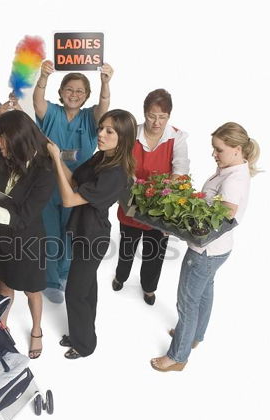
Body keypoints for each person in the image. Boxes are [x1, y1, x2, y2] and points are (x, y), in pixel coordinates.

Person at [151, 122, 260, 372]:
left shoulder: (234, 179)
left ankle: (178, 356)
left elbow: (221, 220)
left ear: (237, 149)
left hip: (205, 251)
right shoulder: (232, 169)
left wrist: (178, 226)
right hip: (219, 250)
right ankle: (195, 336)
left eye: (219, 150)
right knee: (204, 291)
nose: (214, 154)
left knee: (187, 302)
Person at [0, 111, 55, 359]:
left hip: (28, 241)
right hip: (3, 238)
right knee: (5, 284)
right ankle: (1, 326)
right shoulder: (7, 157)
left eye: (2, 139)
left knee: (32, 291)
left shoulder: (45, 170)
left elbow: (25, 216)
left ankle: (36, 330)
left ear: (18, 138)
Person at [48, 109, 137, 359]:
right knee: (87, 288)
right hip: (82, 232)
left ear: (123, 137)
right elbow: (74, 180)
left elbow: (68, 199)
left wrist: (55, 159)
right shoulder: (101, 158)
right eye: (101, 128)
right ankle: (82, 333)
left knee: (75, 292)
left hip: (92, 238)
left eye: (110, 131)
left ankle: (84, 345)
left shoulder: (115, 173)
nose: (101, 134)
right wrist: (59, 159)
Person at [33, 60, 114, 304]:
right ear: (60, 92)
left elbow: (104, 107)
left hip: (77, 186)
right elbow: (37, 101)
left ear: (87, 96)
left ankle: (66, 274)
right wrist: (43, 78)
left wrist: (105, 82)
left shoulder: (91, 118)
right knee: (50, 234)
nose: (74, 94)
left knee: (70, 233)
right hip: (48, 183)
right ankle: (50, 280)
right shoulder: (52, 113)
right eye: (69, 89)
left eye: (80, 91)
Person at [113, 88, 190, 306]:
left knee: (155, 253)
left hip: (159, 206)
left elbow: (180, 169)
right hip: (130, 202)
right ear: (144, 112)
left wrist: (164, 196)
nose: (157, 122)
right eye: (151, 116)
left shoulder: (177, 137)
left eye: (162, 117)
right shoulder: (130, 134)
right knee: (127, 247)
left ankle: (148, 288)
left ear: (169, 116)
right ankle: (121, 276)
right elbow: (121, 166)